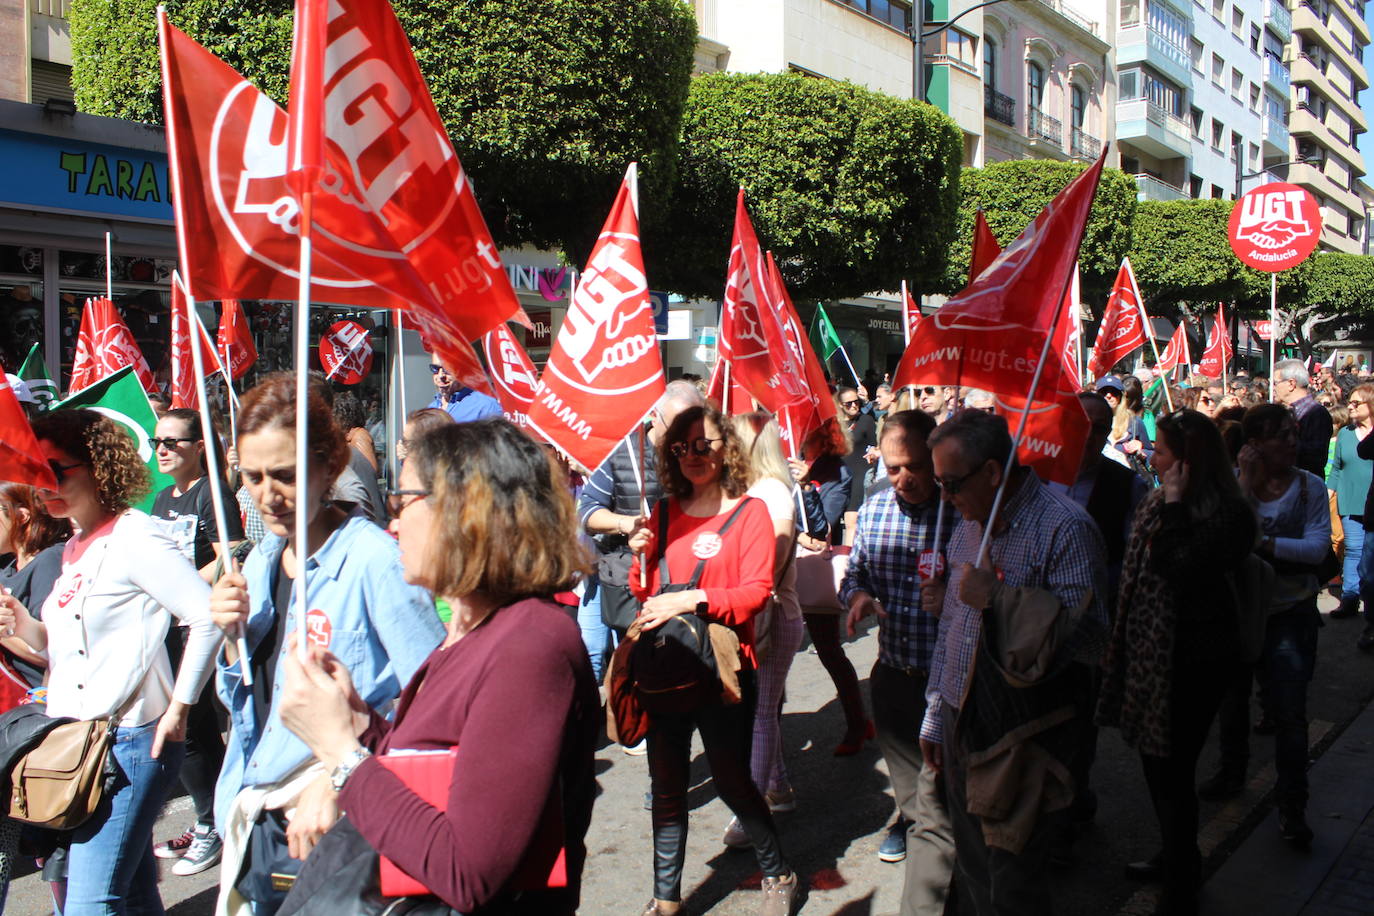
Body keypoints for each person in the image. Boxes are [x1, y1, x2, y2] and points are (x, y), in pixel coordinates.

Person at [276, 419, 599, 914]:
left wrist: (341, 756)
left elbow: (468, 872)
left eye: (403, 500)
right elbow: (430, 769)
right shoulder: (477, 632)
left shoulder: (531, 644)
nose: (394, 522)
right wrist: (359, 723)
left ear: (467, 510)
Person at [208, 373, 444, 915]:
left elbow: (432, 706)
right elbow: (253, 705)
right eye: (253, 475)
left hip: (335, 826)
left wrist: (344, 776)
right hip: (256, 814)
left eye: (286, 475)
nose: (269, 495)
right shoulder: (263, 559)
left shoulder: (373, 561)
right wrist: (229, 641)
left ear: (327, 466)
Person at [0, 409, 221, 915]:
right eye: (38, 476)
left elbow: (206, 617)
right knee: (134, 893)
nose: (43, 487)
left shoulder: (136, 537)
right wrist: (18, 621)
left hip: (129, 741)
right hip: (82, 744)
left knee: (89, 904)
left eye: (56, 472)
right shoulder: (74, 545)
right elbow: (62, 646)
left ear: (99, 467)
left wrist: (180, 708)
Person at [921, 409, 1108, 916]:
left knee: (1014, 876)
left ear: (992, 472)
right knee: (976, 866)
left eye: (953, 483)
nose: (945, 497)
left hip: (1028, 734)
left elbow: (1092, 644)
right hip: (965, 722)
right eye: (938, 483)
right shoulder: (966, 526)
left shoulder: (1065, 526)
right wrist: (936, 716)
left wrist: (1000, 598)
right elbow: (953, 635)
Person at [627, 405, 798, 916]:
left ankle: (778, 870)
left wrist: (693, 600)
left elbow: (755, 593)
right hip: (665, 666)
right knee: (667, 784)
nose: (692, 457)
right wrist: (638, 558)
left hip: (723, 667)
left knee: (730, 779)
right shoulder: (661, 513)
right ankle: (666, 899)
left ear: (727, 449)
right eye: (680, 448)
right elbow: (645, 592)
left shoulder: (751, 513)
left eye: (703, 445)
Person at [1096, 409, 1258, 915]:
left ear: (1186, 463)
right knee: (1157, 766)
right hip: (1148, 652)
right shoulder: (1159, 501)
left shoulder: (1226, 514)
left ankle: (1182, 876)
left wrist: (1172, 503)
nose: (1151, 455)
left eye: (1161, 451)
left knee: (1173, 770)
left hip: (1193, 661)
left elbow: (1176, 568)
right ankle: (1173, 853)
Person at [840, 410, 956, 912]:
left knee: (943, 796)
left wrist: (953, 593)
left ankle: (940, 875)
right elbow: (854, 574)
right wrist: (859, 596)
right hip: (893, 672)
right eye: (891, 469)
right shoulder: (874, 510)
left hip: (948, 677)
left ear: (934, 460)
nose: (902, 479)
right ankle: (916, 831)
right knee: (912, 790)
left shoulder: (964, 513)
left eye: (912, 466)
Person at [1216, 404, 1328, 845]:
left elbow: (1317, 548)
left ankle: (1292, 803)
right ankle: (1231, 772)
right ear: (1254, 445)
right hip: (1241, 610)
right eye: (1281, 435)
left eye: (1293, 433)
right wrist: (1245, 484)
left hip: (1291, 613)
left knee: (1290, 713)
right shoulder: (1233, 485)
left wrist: (1261, 543)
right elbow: (1225, 538)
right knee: (1233, 700)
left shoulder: (1309, 488)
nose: (1292, 442)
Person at [147, 408, 246, 876]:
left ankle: (213, 825)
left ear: (199, 448)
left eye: (172, 442)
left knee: (189, 728)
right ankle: (216, 817)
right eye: (157, 441)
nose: (162, 450)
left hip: (199, 628)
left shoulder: (212, 493)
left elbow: (234, 552)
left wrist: (183, 590)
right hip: (166, 629)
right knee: (195, 732)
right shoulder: (163, 498)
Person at [579, 381, 704, 697]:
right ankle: (638, 719)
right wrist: (626, 524)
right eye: (675, 425)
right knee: (636, 654)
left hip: (683, 577)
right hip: (631, 576)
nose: (682, 435)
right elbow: (587, 510)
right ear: (654, 416)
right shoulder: (622, 453)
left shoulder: (697, 453)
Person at [721, 413, 805, 848]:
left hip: (773, 614)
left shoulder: (772, 494)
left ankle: (750, 813)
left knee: (760, 711)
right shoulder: (758, 490)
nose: (725, 447)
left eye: (732, 440)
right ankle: (780, 789)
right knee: (765, 709)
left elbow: (768, 565)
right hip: (763, 615)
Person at [790, 418, 869, 756]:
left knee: (829, 651)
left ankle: (857, 723)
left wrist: (807, 487)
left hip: (813, 571)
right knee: (771, 654)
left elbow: (825, 524)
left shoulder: (837, 471)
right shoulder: (782, 463)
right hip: (779, 566)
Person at [0, 482, 67, 689]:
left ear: (22, 516)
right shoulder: (8, 567)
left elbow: (53, 653)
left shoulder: (50, 560)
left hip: (37, 702)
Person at [1327, 383, 1374, 620]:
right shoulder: (1345, 433)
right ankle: (1350, 598)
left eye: (1357, 403)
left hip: (1372, 501)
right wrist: (1328, 494)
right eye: (1350, 402)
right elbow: (1336, 468)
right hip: (1351, 499)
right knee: (1354, 550)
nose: (1351, 406)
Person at [1272, 358, 1334, 478]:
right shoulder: (1289, 411)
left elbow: (1315, 458)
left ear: (1291, 384)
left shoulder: (1316, 413)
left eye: (1275, 383)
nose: (1273, 388)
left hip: (1304, 487)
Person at [838, 387, 877, 544]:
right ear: (840, 405)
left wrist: (874, 453)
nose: (854, 405)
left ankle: (848, 562)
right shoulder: (835, 424)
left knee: (851, 521)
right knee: (830, 521)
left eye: (857, 402)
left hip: (859, 474)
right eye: (849, 404)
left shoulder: (866, 420)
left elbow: (874, 445)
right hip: (838, 476)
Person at [428, 357, 503, 423]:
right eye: (435, 369)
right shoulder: (432, 407)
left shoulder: (486, 405)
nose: (440, 376)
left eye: (447, 369)